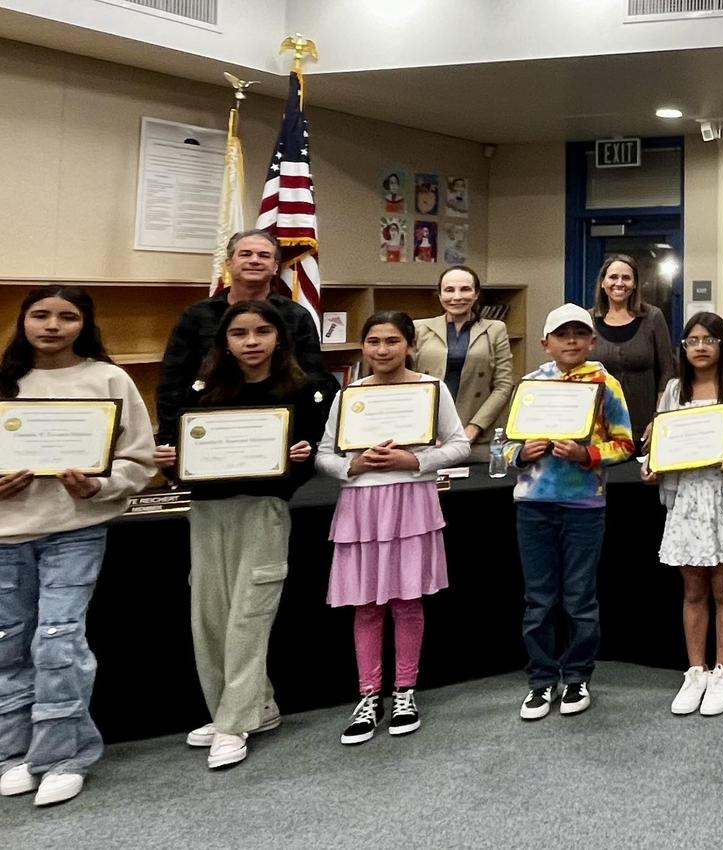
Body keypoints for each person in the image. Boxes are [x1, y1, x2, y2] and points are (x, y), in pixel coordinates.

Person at [153, 299, 331, 770]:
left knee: (249, 617)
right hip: (207, 513)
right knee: (210, 617)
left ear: (279, 338)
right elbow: (180, 449)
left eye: (261, 332)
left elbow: (317, 453)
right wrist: (172, 464)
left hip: (264, 510)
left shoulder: (306, 389)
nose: (251, 342)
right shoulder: (203, 389)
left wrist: (302, 456)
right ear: (225, 341)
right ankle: (247, 707)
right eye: (240, 334)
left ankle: (234, 721)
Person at [0, 287, 155, 807]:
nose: (52, 325)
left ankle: (63, 755)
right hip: (5, 533)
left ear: (83, 325)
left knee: (58, 642)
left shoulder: (108, 379)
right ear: (23, 321)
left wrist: (100, 486)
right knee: (6, 644)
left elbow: (138, 458)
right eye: (40, 315)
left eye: (67, 317)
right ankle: (14, 753)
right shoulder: (5, 380)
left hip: (74, 528)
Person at [315, 312, 471, 746]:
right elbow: (323, 454)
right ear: (363, 347)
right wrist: (354, 465)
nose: (382, 350)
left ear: (410, 345)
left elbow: (459, 444)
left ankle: (404, 691)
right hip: (361, 504)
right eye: (373, 342)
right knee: (365, 605)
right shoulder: (349, 394)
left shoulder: (431, 389)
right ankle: (369, 696)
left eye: (392, 341)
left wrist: (416, 461)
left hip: (411, 501)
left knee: (406, 601)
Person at [506, 304, 635, 722]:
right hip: (534, 504)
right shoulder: (529, 385)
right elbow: (501, 447)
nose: (572, 342)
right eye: (562, 335)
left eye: (580, 334)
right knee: (539, 600)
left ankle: (577, 675)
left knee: (579, 598)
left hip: (584, 505)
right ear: (546, 344)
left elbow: (625, 444)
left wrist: (587, 454)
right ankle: (541, 681)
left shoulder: (605, 382)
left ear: (592, 340)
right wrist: (520, 453)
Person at [644, 313, 723, 718]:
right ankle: (695, 670)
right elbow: (660, 441)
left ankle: (722, 671)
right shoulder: (672, 390)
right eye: (692, 340)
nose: (700, 347)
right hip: (685, 499)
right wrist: (649, 466)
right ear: (683, 347)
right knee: (693, 590)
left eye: (710, 339)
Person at [156, 229, 325, 448]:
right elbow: (172, 383)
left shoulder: (297, 316)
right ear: (228, 264)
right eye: (245, 254)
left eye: (264, 256)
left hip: (278, 434)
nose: (254, 260)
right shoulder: (196, 316)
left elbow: (312, 379)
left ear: (275, 267)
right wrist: (172, 440)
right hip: (211, 433)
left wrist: (305, 440)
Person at [411, 266, 514, 459]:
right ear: (440, 295)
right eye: (449, 290)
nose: (457, 297)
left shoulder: (495, 329)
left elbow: (503, 386)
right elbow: (411, 385)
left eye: (465, 289)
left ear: (476, 294)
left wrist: (473, 429)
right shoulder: (419, 329)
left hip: (478, 436)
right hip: (430, 436)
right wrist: (427, 432)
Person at [588, 255, 677, 436]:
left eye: (626, 278)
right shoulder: (587, 320)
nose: (619, 283)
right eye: (613, 277)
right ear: (602, 283)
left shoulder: (653, 317)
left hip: (645, 427)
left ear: (635, 284)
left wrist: (658, 419)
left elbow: (667, 372)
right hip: (600, 428)